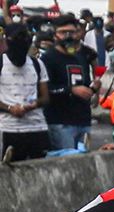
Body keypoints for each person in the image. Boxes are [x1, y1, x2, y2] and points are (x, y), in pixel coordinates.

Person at [37, 15, 98, 153]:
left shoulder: (82, 55)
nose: (68, 36)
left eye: (72, 32)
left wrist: (93, 89)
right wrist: (70, 90)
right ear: (55, 35)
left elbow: (85, 84)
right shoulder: (48, 58)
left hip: (83, 119)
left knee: (84, 161)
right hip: (60, 122)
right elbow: (45, 90)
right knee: (67, 159)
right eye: (63, 32)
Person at [1, 23, 51, 162]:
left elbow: (45, 98)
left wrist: (33, 105)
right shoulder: (1, 63)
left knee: (41, 169)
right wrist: (10, 108)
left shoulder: (37, 64)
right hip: (9, 129)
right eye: (17, 38)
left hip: (37, 127)